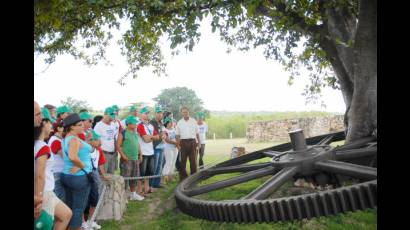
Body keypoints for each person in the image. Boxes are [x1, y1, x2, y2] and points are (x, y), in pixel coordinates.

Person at [34, 108, 72, 230]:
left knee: (66, 214)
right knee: (46, 225)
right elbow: (40, 175)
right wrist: (39, 199)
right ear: (43, 123)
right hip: (44, 192)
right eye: (49, 122)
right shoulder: (42, 146)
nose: (52, 125)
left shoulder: (38, 144)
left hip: (47, 191)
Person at [60, 113, 93, 230]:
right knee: (78, 208)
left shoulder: (66, 138)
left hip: (67, 175)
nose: (83, 125)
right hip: (78, 177)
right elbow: (73, 157)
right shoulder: (73, 139)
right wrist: (82, 165)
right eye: (80, 124)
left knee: (70, 206)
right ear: (72, 127)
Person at [82, 130, 109, 230]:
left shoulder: (99, 150)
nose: (100, 142)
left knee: (94, 198)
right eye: (97, 139)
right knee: (83, 199)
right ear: (90, 140)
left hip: (94, 175)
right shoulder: (83, 150)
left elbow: (100, 163)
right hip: (85, 175)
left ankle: (91, 220)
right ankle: (83, 222)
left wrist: (104, 175)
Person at [117, 116, 144, 201]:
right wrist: (123, 155)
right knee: (125, 177)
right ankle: (123, 196)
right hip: (126, 159)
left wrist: (140, 154)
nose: (136, 124)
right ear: (128, 124)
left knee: (135, 177)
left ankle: (133, 194)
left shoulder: (135, 133)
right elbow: (118, 145)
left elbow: (138, 144)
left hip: (135, 159)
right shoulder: (123, 133)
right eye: (134, 123)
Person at [136, 106, 158, 194]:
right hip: (143, 152)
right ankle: (139, 190)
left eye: (148, 113)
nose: (147, 115)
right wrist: (153, 137)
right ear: (140, 115)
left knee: (149, 172)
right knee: (141, 173)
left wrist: (151, 137)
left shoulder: (150, 125)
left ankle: (146, 188)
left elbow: (158, 137)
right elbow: (146, 139)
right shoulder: (139, 125)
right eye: (145, 113)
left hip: (150, 151)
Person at [176, 106, 200, 182]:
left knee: (193, 161)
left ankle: (193, 179)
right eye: (183, 112)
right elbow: (177, 135)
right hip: (183, 142)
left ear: (188, 112)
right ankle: (183, 179)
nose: (185, 113)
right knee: (182, 161)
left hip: (192, 142)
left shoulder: (193, 121)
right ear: (181, 113)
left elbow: (197, 133)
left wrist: (198, 143)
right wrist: (178, 144)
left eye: (186, 112)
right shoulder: (179, 122)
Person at [93, 107, 118, 174]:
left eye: (112, 118)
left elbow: (114, 138)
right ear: (105, 115)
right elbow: (95, 142)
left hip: (112, 154)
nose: (111, 120)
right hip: (104, 154)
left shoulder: (113, 124)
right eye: (110, 118)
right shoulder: (98, 126)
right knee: (103, 176)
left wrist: (116, 150)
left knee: (111, 175)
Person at [49, 121, 66, 202]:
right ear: (58, 128)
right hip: (57, 171)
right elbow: (65, 156)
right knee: (60, 197)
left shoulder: (59, 139)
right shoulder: (55, 140)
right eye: (64, 126)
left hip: (59, 171)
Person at [149, 105, 164, 189]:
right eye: (158, 113)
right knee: (154, 167)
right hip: (154, 146)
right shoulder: (151, 122)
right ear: (155, 113)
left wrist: (164, 135)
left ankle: (156, 184)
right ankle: (150, 185)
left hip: (161, 146)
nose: (160, 114)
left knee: (159, 166)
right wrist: (160, 135)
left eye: (161, 113)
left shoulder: (161, 123)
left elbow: (162, 133)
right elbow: (152, 135)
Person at [162, 117, 178, 184]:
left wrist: (177, 143)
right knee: (169, 162)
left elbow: (178, 137)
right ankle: (164, 178)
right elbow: (167, 140)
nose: (171, 123)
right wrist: (176, 143)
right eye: (170, 122)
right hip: (168, 148)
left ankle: (170, 177)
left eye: (172, 122)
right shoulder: (164, 130)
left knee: (173, 162)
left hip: (175, 148)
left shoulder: (175, 129)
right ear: (167, 123)